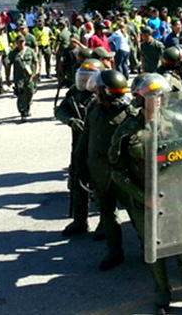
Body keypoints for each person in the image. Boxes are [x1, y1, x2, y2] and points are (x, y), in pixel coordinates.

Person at [108, 73, 182, 314]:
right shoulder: (127, 130)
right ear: (139, 98)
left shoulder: (177, 121)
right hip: (145, 199)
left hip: (176, 194)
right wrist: (141, 196)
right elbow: (116, 171)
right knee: (153, 248)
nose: (157, 100)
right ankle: (162, 291)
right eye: (151, 96)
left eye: (159, 95)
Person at [76, 69, 132, 271]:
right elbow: (86, 139)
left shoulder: (129, 114)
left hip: (124, 174)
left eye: (99, 90)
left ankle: (148, 250)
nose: (96, 93)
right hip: (100, 172)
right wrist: (79, 164)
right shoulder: (95, 110)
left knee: (136, 214)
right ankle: (114, 251)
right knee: (107, 213)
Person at [56, 59, 103, 237]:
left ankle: (105, 223)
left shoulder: (103, 94)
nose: (83, 82)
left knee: (100, 187)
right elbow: (59, 110)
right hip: (78, 146)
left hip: (97, 147)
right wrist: (70, 120)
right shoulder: (74, 93)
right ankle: (80, 220)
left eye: (87, 78)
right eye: (81, 77)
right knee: (77, 182)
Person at [8, 35, 40, 121]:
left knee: (30, 92)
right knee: (21, 94)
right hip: (19, 78)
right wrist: (8, 78)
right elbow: (9, 65)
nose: (21, 44)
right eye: (19, 42)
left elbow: (36, 62)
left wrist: (36, 73)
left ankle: (27, 107)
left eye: (22, 42)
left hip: (29, 77)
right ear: (16, 43)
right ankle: (23, 112)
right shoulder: (13, 53)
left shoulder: (30, 51)